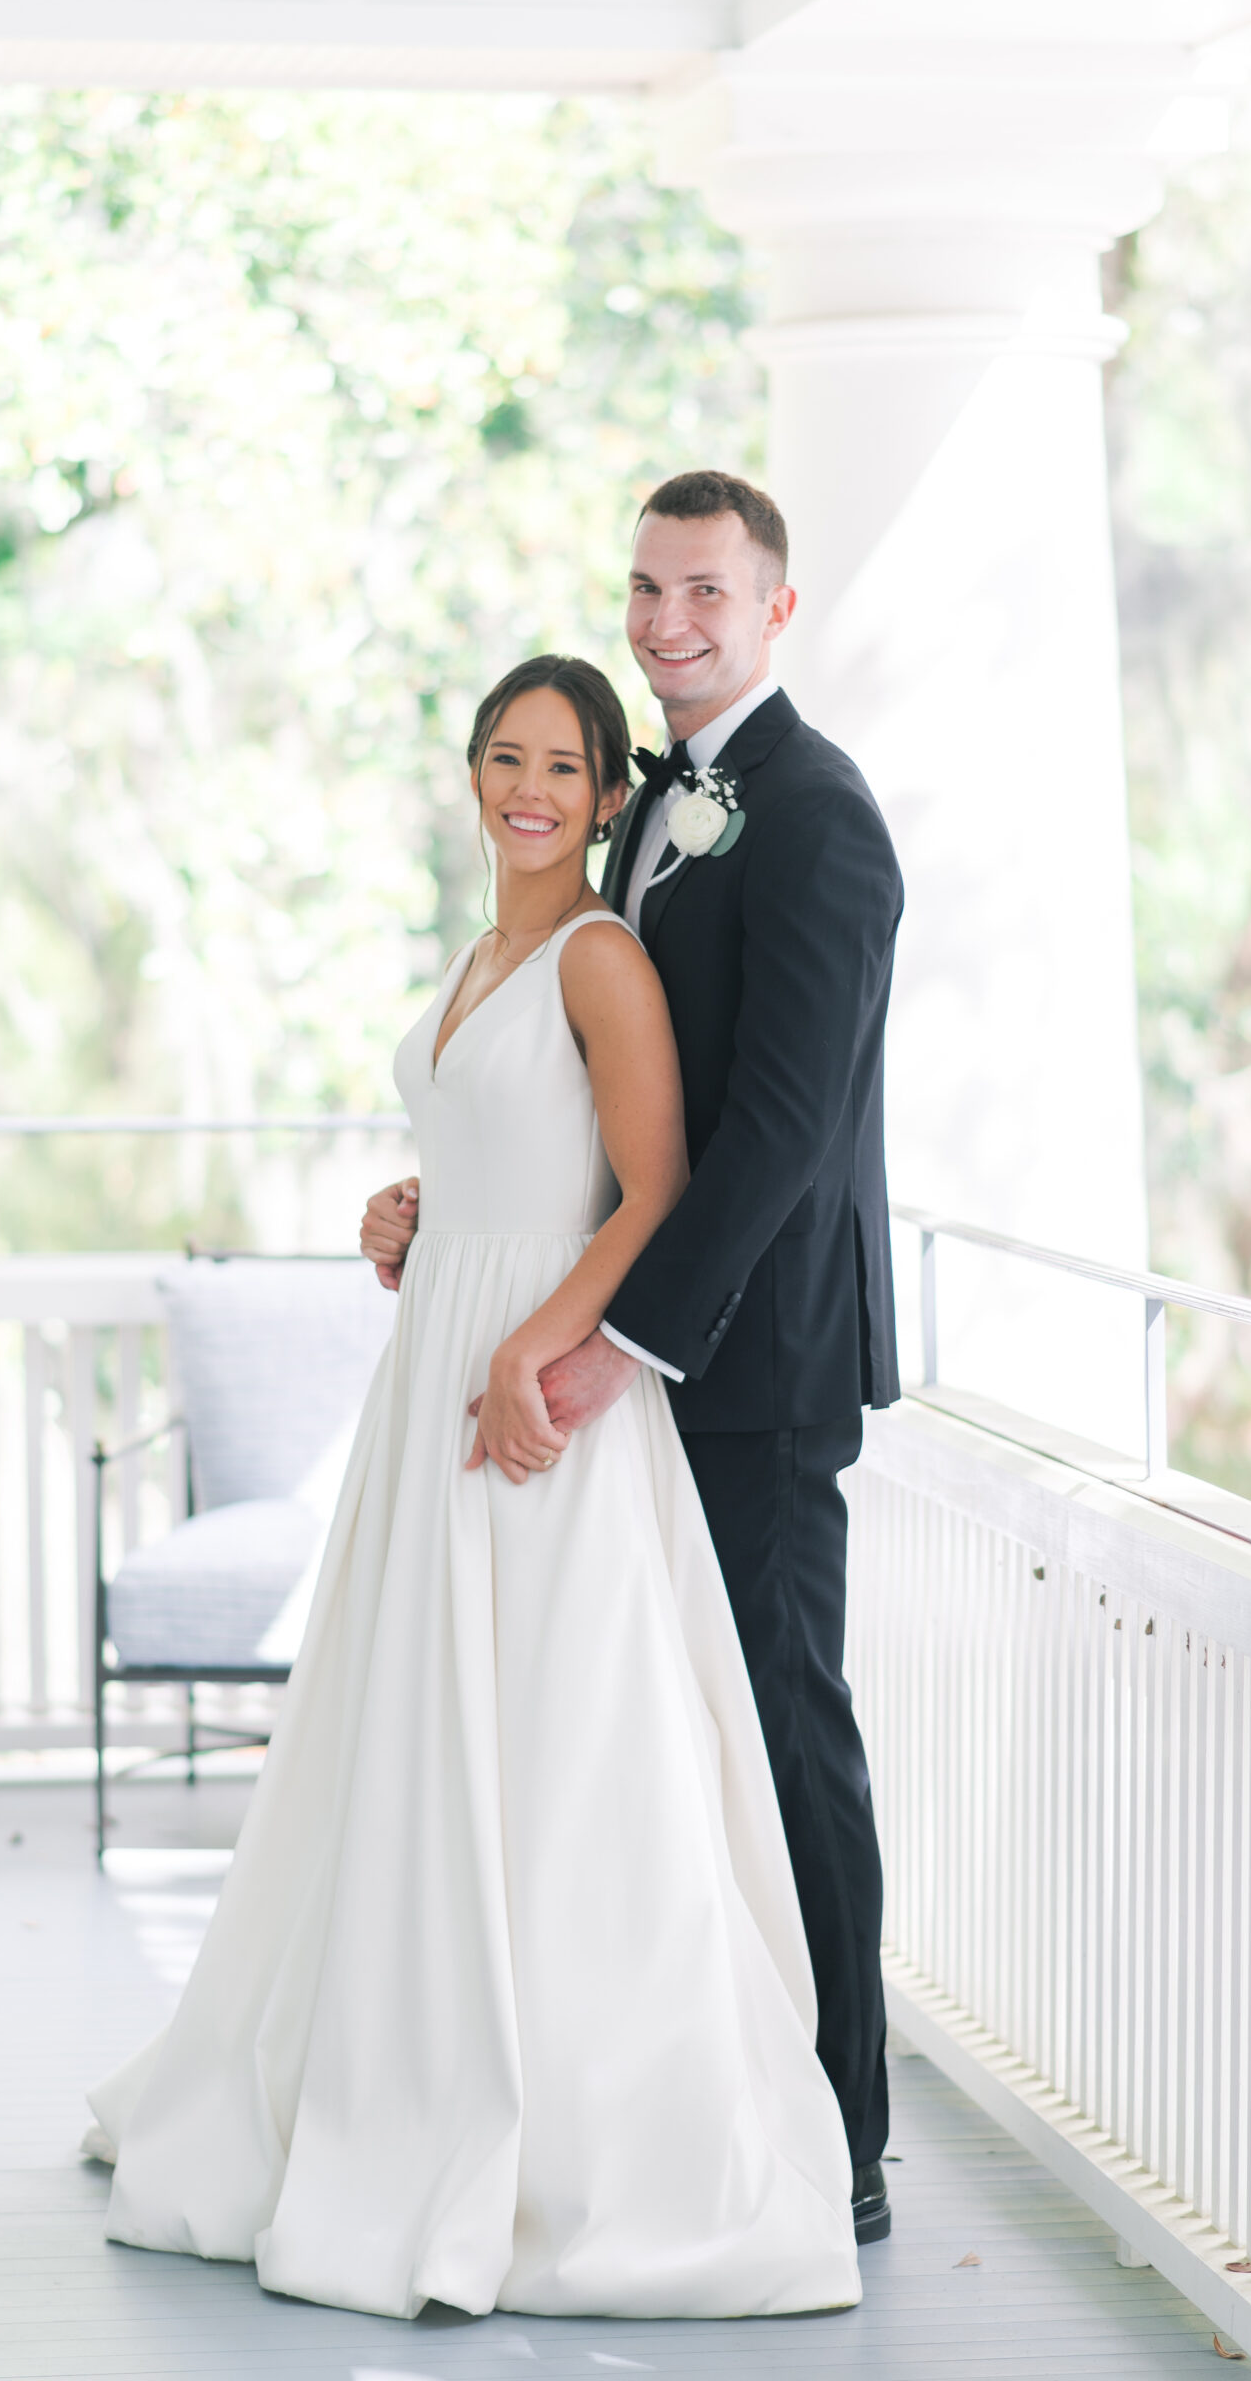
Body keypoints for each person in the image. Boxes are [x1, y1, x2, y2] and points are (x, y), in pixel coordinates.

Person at [84, 652, 861, 2321]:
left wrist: (538, 1350)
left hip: (537, 1390)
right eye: (506, 758)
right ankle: (390, 2058)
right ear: (474, 774)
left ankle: (570, 2125)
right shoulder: (485, 952)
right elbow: (503, 1151)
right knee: (418, 1738)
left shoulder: (600, 958)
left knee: (559, 1751)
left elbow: (648, 1189)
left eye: (565, 769)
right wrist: (410, 1212)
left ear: (604, 796)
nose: (530, 789)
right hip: (434, 1355)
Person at [365, 473, 904, 2242]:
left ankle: (844, 2136)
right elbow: (599, 1105)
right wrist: (453, 1214)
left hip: (750, 1359)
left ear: (775, 608)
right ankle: (690, 2090)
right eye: (647, 591)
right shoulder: (655, 812)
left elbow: (779, 1132)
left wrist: (626, 1344)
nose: (669, 623)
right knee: (669, 1754)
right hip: (632, 1338)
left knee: (781, 1725)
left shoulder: (819, 817)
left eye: (706, 594)